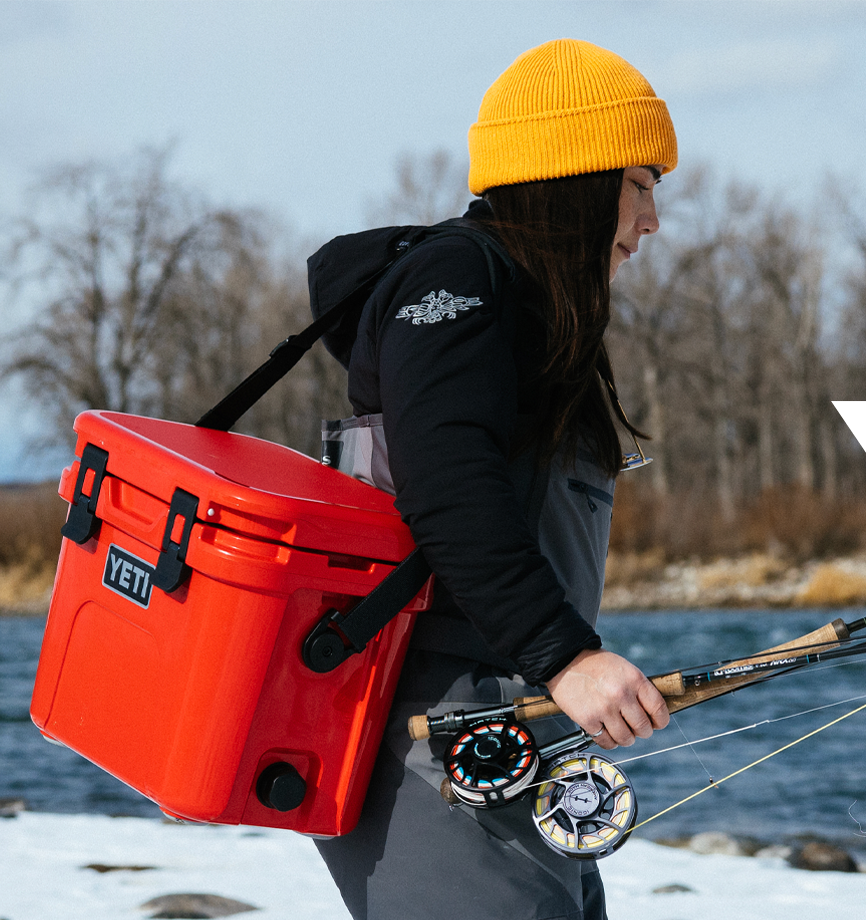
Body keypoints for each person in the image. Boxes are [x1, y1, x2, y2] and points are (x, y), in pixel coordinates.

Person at [311, 38, 674, 919]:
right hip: (437, 721)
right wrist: (570, 657)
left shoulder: (523, 305)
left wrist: (557, 669)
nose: (653, 219)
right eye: (640, 184)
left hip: (510, 715)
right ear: (578, 177)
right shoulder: (461, 277)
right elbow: (447, 482)